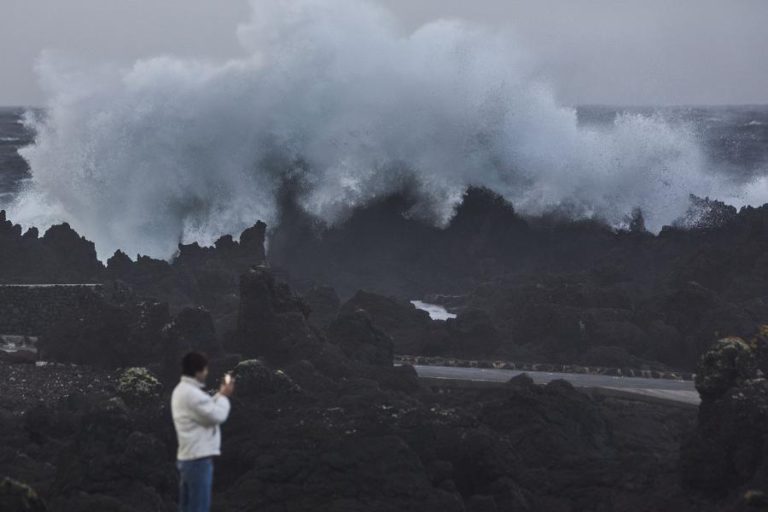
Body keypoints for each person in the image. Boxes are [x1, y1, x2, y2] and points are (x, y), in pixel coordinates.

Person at [171, 352, 235, 512]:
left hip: (187, 458)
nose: (206, 373)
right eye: (205, 369)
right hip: (198, 460)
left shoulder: (181, 390)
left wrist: (219, 395)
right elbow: (216, 415)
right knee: (198, 507)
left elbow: (203, 408)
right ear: (198, 371)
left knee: (187, 507)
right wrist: (225, 397)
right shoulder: (191, 394)